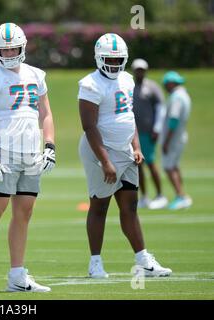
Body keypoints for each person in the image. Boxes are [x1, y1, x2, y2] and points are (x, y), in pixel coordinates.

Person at [0, 23, 56, 293]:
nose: (8, 53)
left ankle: (17, 275)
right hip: (3, 152)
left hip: (30, 152)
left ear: (22, 46)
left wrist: (50, 145)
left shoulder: (36, 75)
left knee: (24, 213)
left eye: (12, 48)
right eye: (3, 50)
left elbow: (46, 114)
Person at [77, 33, 172, 279]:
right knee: (100, 205)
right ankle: (95, 263)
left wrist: (137, 147)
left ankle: (143, 260)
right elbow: (89, 126)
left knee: (130, 205)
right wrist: (106, 161)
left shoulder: (127, 79)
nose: (114, 63)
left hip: (125, 149)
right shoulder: (90, 84)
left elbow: (127, 118)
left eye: (118, 59)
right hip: (100, 150)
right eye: (109, 58)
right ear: (99, 58)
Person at [131, 59, 168, 209]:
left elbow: (161, 108)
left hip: (147, 133)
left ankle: (160, 195)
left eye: (142, 70)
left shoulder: (152, 87)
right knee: (138, 166)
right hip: (133, 134)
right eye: (137, 70)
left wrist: (157, 129)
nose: (140, 72)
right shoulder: (129, 86)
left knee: (151, 164)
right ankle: (144, 197)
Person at [161, 71, 192, 210]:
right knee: (174, 166)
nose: (165, 87)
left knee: (169, 167)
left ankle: (180, 196)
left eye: (166, 84)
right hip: (179, 137)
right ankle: (182, 195)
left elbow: (173, 120)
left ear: (171, 83)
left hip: (173, 138)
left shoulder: (177, 97)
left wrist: (166, 141)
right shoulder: (184, 95)